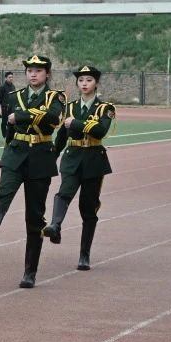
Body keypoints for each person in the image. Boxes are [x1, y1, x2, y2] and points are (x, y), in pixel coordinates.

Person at [0, 55, 65, 288]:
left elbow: (53, 118)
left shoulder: (55, 97)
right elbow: (8, 125)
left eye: (38, 71)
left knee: (34, 215)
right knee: (3, 191)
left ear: (47, 74)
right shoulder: (15, 96)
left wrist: (22, 116)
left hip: (40, 156)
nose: (33, 74)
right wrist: (10, 140)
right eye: (29, 71)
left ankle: (30, 271)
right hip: (15, 152)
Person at [42, 65, 113, 271]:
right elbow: (62, 136)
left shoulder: (105, 108)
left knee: (88, 208)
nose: (84, 84)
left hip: (93, 160)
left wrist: (75, 124)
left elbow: (100, 131)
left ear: (96, 83)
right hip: (72, 157)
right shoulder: (70, 107)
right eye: (81, 80)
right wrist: (52, 156)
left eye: (89, 80)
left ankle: (84, 254)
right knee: (64, 192)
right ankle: (55, 225)